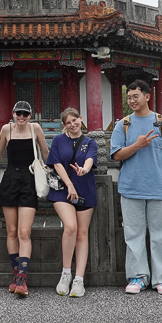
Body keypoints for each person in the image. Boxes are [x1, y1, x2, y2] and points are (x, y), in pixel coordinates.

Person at [110, 80, 162, 295]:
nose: (132, 101)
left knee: (160, 234)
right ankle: (138, 277)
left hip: (158, 187)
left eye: (136, 96)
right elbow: (116, 155)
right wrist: (137, 145)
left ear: (147, 96)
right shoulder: (123, 124)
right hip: (130, 187)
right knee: (133, 235)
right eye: (129, 97)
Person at [0, 100, 49, 297]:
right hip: (10, 179)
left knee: (24, 233)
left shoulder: (36, 129)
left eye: (25, 114)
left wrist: (62, 174)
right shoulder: (6, 130)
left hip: (29, 179)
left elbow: (46, 153)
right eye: (19, 113)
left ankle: (22, 278)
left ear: (30, 115)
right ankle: (15, 273)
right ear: (13, 113)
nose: (22, 117)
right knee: (11, 231)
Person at [47, 107, 97, 297]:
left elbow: (90, 160)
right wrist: (69, 184)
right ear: (64, 125)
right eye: (68, 122)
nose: (72, 124)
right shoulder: (58, 140)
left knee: (82, 234)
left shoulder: (90, 142)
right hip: (63, 190)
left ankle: (79, 279)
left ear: (80, 119)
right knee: (70, 227)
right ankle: (66, 273)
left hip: (85, 189)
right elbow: (57, 163)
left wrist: (84, 169)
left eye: (74, 120)